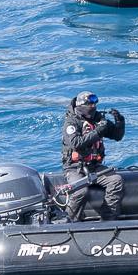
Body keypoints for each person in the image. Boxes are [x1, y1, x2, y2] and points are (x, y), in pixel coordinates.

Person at [57, 91, 126, 221]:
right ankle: (70, 220)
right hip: (75, 167)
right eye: (90, 104)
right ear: (81, 105)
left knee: (116, 181)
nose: (93, 107)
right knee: (80, 191)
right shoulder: (71, 123)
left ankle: (108, 218)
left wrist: (120, 122)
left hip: (94, 166)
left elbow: (117, 136)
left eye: (95, 104)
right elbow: (76, 143)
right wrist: (98, 132)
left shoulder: (98, 119)